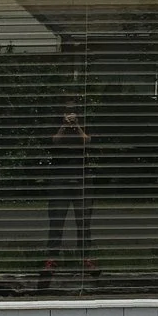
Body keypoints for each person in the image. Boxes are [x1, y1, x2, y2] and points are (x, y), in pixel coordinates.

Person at [43, 96, 94, 280]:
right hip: (60, 178)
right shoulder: (56, 124)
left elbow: (88, 141)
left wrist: (77, 126)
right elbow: (53, 142)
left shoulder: (84, 124)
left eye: (73, 111)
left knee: (84, 221)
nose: (70, 114)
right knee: (56, 221)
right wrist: (64, 126)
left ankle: (86, 259)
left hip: (81, 178)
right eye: (67, 111)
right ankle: (51, 259)